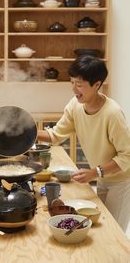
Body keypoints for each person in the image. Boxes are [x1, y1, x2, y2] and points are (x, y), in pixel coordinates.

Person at [37, 55, 130, 232]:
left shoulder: (113, 114)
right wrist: (28, 133)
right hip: (102, 176)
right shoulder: (75, 105)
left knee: (114, 231)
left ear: (97, 84)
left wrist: (95, 172)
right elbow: (56, 135)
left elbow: (127, 155)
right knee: (100, 228)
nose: (74, 89)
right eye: (72, 83)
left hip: (121, 180)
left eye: (79, 85)